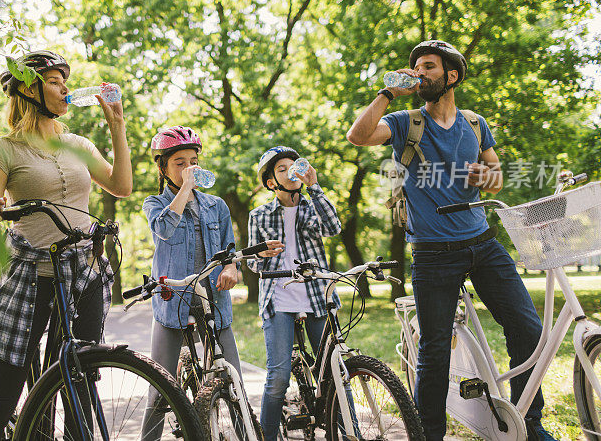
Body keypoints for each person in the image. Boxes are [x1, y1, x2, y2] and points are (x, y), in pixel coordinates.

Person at [346, 40, 555, 441]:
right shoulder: (407, 122)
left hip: (483, 243)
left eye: (428, 67)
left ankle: (529, 423)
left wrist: (487, 177)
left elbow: (495, 174)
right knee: (436, 349)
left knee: (527, 328)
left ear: (451, 75)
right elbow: (360, 136)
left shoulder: (475, 123)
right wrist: (389, 93)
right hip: (432, 254)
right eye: (416, 68)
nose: (419, 73)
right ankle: (431, 434)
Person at [0, 50, 132, 440]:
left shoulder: (78, 144)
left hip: (85, 274)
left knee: (80, 382)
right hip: (33, 276)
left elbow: (122, 187)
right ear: (29, 89)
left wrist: (118, 127)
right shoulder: (5, 149)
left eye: (65, 81)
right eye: (55, 81)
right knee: (0, 403)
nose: (66, 89)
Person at [140, 126, 270, 440]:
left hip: (214, 300)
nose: (189, 168)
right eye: (180, 163)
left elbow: (229, 251)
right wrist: (185, 189)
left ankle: (246, 435)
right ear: (163, 167)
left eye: (193, 161)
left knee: (233, 379)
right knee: (160, 389)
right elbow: (165, 230)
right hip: (174, 301)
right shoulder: (154, 204)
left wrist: (232, 268)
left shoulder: (217, 206)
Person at [247, 146, 343, 441]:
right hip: (278, 300)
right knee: (278, 377)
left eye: (294, 165)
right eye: (281, 169)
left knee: (337, 376)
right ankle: (268, 437)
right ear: (271, 182)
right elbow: (251, 263)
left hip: (317, 297)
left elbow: (334, 227)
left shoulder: (314, 205)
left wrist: (315, 186)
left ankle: (348, 432)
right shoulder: (259, 215)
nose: (290, 171)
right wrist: (260, 254)